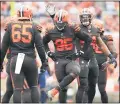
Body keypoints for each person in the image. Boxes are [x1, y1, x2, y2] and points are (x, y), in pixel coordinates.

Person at [43, 9, 92, 103]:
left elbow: (88, 39)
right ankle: (58, 93)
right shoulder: (51, 30)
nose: (60, 26)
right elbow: (43, 42)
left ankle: (54, 90)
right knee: (63, 88)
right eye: (58, 23)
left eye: (63, 23)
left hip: (70, 59)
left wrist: (81, 52)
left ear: (67, 22)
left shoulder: (73, 28)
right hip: (58, 60)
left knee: (76, 71)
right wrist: (48, 53)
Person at [1, 5, 48, 103]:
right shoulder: (35, 26)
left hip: (15, 59)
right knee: (34, 87)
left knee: (16, 90)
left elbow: (3, 47)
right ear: (30, 15)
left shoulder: (10, 26)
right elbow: (40, 46)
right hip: (30, 59)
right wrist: (44, 61)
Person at [75, 8, 117, 103]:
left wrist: (110, 58)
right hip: (81, 59)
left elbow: (102, 45)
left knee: (95, 86)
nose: (85, 19)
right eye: (83, 17)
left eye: (87, 17)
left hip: (96, 61)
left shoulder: (97, 32)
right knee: (83, 86)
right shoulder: (76, 28)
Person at [93, 19, 117, 103]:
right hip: (90, 66)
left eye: (96, 26)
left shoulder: (106, 38)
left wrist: (108, 62)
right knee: (87, 89)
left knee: (102, 89)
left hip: (101, 67)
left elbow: (114, 53)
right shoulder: (87, 37)